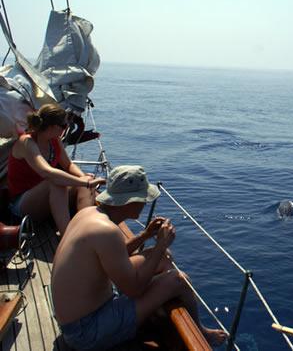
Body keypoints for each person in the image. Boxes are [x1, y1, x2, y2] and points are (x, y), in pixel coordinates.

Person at [51, 165, 227, 350]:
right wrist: (160, 245)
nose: (146, 203)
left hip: (75, 320)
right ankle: (199, 333)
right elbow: (133, 289)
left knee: (162, 258)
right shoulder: (106, 231)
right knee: (179, 281)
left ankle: (158, 309)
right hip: (86, 332)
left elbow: (113, 254)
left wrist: (145, 235)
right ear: (131, 201)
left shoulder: (88, 214)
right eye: (144, 198)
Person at [7, 104, 105, 234]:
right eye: (64, 125)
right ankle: (68, 236)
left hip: (46, 198)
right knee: (55, 183)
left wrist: (85, 179)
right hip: (21, 203)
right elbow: (47, 172)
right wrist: (85, 183)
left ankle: (85, 228)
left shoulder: (54, 140)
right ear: (52, 127)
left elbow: (68, 165)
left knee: (84, 181)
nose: (67, 128)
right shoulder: (27, 142)